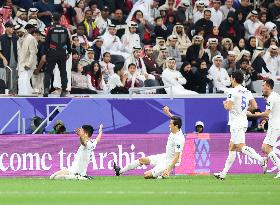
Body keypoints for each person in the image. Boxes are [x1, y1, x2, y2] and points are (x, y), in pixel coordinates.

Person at [214, 70, 267, 180]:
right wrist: (242, 108)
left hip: (236, 123)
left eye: (230, 78)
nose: (230, 80)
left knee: (240, 146)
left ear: (233, 79)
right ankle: (223, 173)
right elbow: (254, 106)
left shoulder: (232, 91)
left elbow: (228, 107)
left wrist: (225, 104)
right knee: (232, 147)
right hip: (242, 121)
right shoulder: (247, 91)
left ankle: (261, 159)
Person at [113, 106, 185, 179]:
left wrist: (168, 170)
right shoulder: (177, 127)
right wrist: (168, 113)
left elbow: (177, 157)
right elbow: (176, 120)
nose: (169, 125)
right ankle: (120, 171)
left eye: (170, 124)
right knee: (142, 160)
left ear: (176, 126)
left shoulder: (179, 138)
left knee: (146, 175)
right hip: (165, 156)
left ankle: (162, 175)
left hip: (169, 162)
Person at [249, 79, 280, 179]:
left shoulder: (271, 98)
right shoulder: (275, 95)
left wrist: (254, 114)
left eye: (263, 86)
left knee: (267, 148)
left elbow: (266, 113)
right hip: (274, 124)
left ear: (268, 86)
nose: (262, 87)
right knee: (264, 148)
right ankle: (264, 161)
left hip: (275, 126)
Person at [43, 12, 71, 97]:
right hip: (62, 53)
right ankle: (63, 91)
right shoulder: (64, 29)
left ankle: (46, 90)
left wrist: (45, 53)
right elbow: (68, 42)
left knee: (48, 72)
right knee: (63, 72)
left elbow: (46, 43)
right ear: (60, 19)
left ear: (52, 18)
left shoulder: (50, 29)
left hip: (52, 52)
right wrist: (69, 52)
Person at [15, 24, 38, 96]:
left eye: (19, 32)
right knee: (23, 81)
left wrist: (29, 64)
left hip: (28, 65)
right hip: (21, 65)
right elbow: (19, 55)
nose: (18, 34)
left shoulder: (30, 38)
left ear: (23, 30)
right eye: (16, 32)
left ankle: (25, 96)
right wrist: (18, 66)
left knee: (23, 80)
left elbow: (33, 53)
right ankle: (27, 96)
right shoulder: (19, 40)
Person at [0, 21, 18, 94]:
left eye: (13, 27)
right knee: (4, 80)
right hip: (4, 64)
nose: (12, 29)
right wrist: (3, 58)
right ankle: (4, 96)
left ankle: (14, 95)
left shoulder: (16, 38)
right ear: (6, 28)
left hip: (15, 63)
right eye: (10, 27)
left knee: (14, 81)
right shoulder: (1, 38)